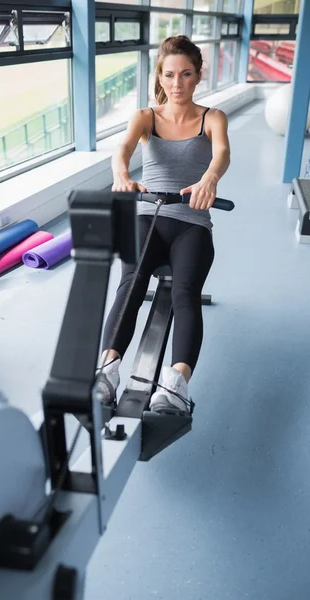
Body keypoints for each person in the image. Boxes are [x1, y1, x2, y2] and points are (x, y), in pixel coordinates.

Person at [96, 35, 230, 414]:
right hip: (148, 215)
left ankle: (175, 384)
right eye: (169, 74)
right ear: (160, 75)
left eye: (186, 74)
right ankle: (107, 371)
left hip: (192, 223)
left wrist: (209, 179)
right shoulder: (145, 117)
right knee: (132, 280)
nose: (177, 83)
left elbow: (221, 153)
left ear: (198, 75)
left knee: (185, 292)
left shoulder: (212, 118)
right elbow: (121, 151)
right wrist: (122, 174)